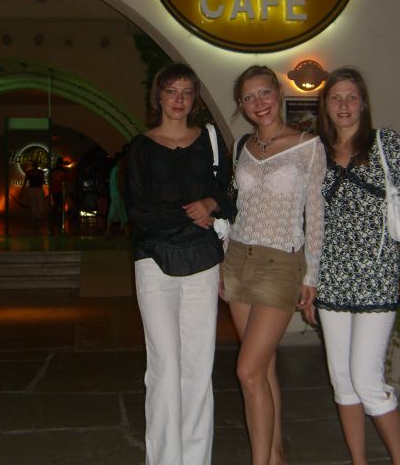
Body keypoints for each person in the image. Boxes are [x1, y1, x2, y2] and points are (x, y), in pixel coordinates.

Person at [312, 67, 400, 465]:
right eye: (335, 98)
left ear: (363, 103)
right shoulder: (317, 151)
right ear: (325, 105)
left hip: (376, 275)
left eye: (351, 97)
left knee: (367, 380)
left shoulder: (384, 142)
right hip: (331, 278)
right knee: (343, 383)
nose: (343, 105)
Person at [126, 63, 234, 465]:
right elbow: (138, 209)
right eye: (172, 91)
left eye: (187, 92)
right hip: (154, 261)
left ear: (195, 99)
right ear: (158, 96)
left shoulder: (209, 141)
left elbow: (231, 192)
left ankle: (196, 459)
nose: (179, 99)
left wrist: (211, 203)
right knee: (165, 367)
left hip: (203, 261)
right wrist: (190, 215)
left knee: (198, 367)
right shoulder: (140, 147)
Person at [221, 65, 325, 465]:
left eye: (264, 93)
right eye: (248, 97)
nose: (258, 103)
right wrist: (223, 260)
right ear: (241, 104)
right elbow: (236, 207)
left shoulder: (308, 145)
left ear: (278, 93)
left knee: (247, 371)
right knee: (263, 369)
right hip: (238, 260)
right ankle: (276, 456)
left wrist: (312, 274)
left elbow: (316, 215)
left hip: (281, 263)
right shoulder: (241, 146)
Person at [105, 147, 129, 236]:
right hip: (118, 194)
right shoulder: (118, 170)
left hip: (113, 193)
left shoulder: (114, 169)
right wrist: (122, 193)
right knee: (123, 212)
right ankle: (126, 232)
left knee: (113, 212)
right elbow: (120, 183)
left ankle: (108, 231)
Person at [22, 161, 46, 229]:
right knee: (38, 204)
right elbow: (42, 181)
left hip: (33, 189)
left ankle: (35, 219)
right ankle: (37, 219)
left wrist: (22, 191)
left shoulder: (29, 172)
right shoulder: (40, 172)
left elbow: (25, 182)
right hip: (37, 189)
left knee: (34, 204)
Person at [49, 157, 70, 234]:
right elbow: (67, 181)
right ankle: (58, 224)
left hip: (56, 191)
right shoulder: (64, 171)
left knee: (56, 207)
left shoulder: (53, 171)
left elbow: (51, 181)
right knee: (60, 208)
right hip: (60, 191)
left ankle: (54, 224)